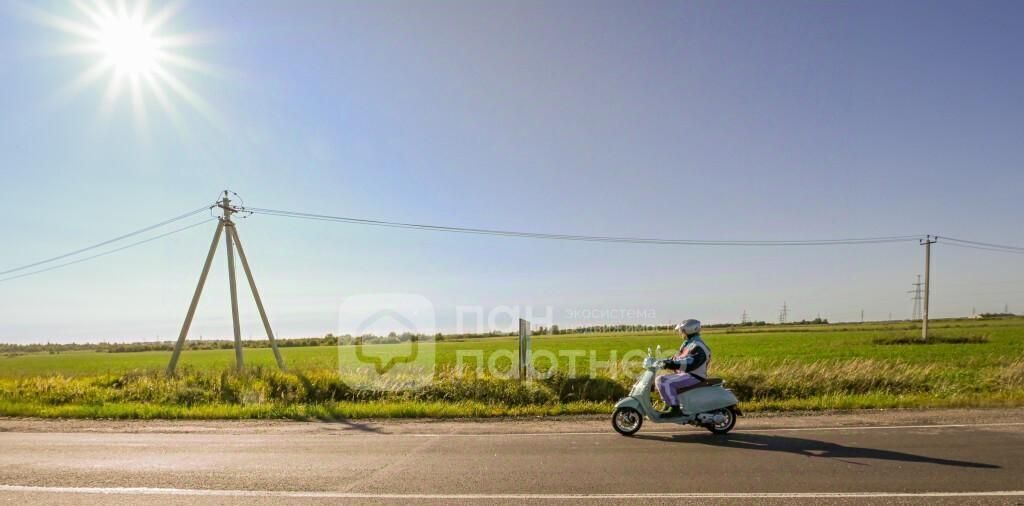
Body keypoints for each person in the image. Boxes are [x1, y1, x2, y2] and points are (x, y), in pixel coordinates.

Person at [655, 319, 710, 417]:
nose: (680, 333)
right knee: (660, 379)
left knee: (664, 381)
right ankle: (669, 405)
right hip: (686, 374)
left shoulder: (697, 346)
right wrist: (666, 361)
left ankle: (674, 409)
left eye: (682, 331)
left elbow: (690, 363)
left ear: (689, 331)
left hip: (694, 376)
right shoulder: (688, 343)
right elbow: (679, 358)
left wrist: (671, 364)